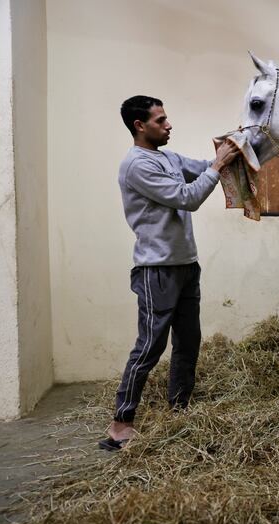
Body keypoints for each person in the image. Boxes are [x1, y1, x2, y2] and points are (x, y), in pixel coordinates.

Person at [99, 95, 240, 451]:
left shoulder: (167, 157)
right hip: (156, 268)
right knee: (150, 345)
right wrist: (217, 165)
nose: (168, 125)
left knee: (188, 341)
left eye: (166, 118)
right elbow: (188, 196)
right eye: (160, 120)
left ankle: (179, 408)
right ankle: (121, 422)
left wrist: (235, 148)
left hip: (185, 264)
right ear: (139, 126)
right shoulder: (136, 166)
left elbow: (206, 166)